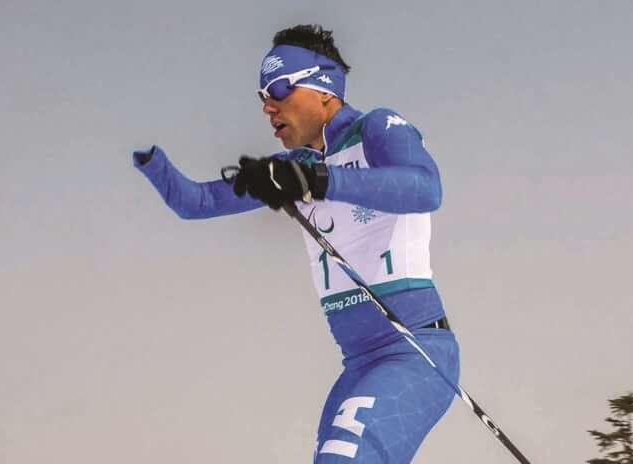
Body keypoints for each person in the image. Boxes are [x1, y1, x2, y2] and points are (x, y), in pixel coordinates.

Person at [133, 24, 459, 463]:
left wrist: (317, 181)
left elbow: (425, 188)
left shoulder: (376, 128)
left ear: (323, 88)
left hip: (413, 351)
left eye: (279, 89)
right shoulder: (295, 167)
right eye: (262, 95)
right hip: (358, 363)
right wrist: (145, 153)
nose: (268, 106)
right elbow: (197, 202)